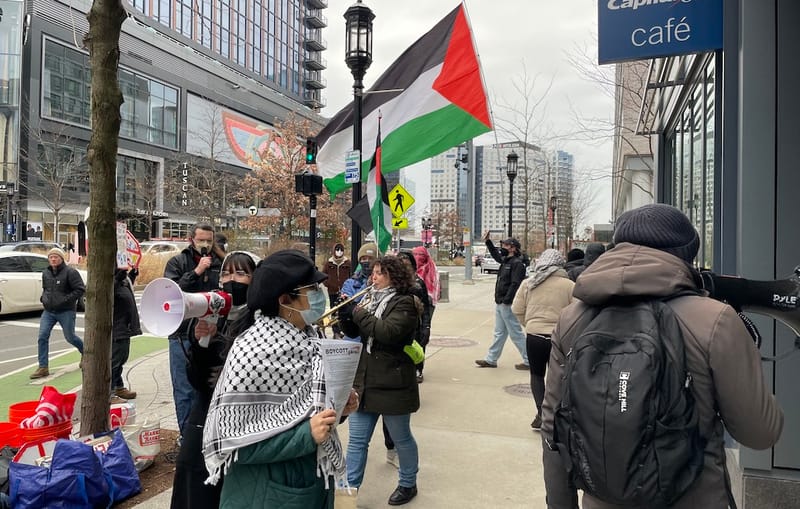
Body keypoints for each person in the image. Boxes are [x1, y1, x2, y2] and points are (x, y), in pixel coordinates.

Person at [541, 204, 784, 509]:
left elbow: (553, 426)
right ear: (687, 256)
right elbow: (760, 433)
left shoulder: (572, 317)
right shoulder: (715, 320)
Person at [202, 250, 358, 508]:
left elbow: (306, 411)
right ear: (285, 299)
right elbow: (234, 444)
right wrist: (306, 435)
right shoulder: (252, 352)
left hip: (306, 484)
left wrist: (340, 408)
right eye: (313, 289)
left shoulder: (309, 339)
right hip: (263, 494)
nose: (320, 294)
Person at [171, 252, 257, 509]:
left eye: (241, 274)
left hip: (240, 421)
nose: (232, 280)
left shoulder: (258, 320)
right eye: (227, 273)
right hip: (205, 415)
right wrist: (201, 345)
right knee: (194, 482)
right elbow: (198, 380)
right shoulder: (214, 314)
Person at [337, 255, 421, 506]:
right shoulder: (370, 299)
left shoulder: (405, 303)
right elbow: (356, 331)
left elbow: (387, 333)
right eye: (372, 272)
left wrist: (358, 312)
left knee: (401, 437)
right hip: (366, 380)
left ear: (393, 277)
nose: (372, 277)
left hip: (393, 381)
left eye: (379, 273)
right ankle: (348, 495)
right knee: (357, 442)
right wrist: (346, 315)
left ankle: (408, 483)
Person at [164, 223, 224, 438]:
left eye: (209, 240)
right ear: (192, 240)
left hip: (212, 333)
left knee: (209, 385)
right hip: (182, 334)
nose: (205, 244)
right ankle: (186, 436)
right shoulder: (178, 262)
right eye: (201, 240)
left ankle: (208, 434)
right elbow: (170, 294)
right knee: (184, 389)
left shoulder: (220, 263)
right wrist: (197, 272)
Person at [511, 249, 573, 430]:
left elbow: (517, 309)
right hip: (559, 337)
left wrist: (529, 324)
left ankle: (541, 412)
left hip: (534, 335)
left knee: (537, 375)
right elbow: (577, 312)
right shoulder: (569, 285)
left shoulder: (529, 283)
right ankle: (555, 412)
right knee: (558, 377)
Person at [30, 247, 86, 379]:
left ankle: (86, 353)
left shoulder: (70, 272)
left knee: (70, 337)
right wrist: (43, 298)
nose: (53, 259)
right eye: (51, 257)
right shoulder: (46, 273)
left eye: (56, 257)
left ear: (61, 259)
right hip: (49, 311)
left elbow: (80, 289)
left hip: (66, 311)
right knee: (42, 337)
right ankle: (43, 367)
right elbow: (45, 289)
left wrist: (65, 300)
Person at [475, 233, 529, 370]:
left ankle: (529, 360)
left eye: (505, 245)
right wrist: (488, 242)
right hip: (501, 302)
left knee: (515, 333)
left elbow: (515, 284)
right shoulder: (506, 261)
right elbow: (495, 254)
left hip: (507, 304)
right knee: (499, 333)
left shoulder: (517, 264)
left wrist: (506, 300)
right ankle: (491, 359)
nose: (502, 247)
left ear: (512, 248)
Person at [111, 266, 142, 401]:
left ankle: (118, 386)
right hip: (118, 326)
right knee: (116, 361)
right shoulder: (112, 281)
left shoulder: (123, 281)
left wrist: (131, 276)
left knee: (121, 359)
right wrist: (118, 277)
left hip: (124, 326)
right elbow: (109, 292)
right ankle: (110, 392)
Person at [404, 250, 434, 383]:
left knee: (419, 345)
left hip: (416, 323)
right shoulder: (393, 282)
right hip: (400, 323)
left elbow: (426, 308)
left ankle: (418, 369)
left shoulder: (418, 283)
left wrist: (426, 326)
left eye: (407, 265)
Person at [322, 243, 351, 337]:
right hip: (332, 291)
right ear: (334, 251)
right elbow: (324, 276)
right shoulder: (328, 263)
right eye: (337, 250)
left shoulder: (348, 263)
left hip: (344, 291)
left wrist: (348, 285)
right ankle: (336, 332)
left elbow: (351, 275)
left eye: (341, 250)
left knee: (344, 310)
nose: (339, 252)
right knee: (333, 311)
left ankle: (344, 329)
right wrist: (329, 284)